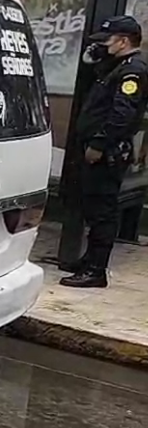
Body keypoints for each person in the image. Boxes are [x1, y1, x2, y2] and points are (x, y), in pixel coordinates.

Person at [60, 15, 148, 288]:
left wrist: (98, 145)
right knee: (94, 208)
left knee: (102, 212)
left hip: (105, 153)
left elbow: (122, 115)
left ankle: (96, 271)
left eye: (107, 41)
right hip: (98, 150)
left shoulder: (133, 71)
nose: (103, 45)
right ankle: (89, 260)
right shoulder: (118, 66)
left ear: (123, 41)